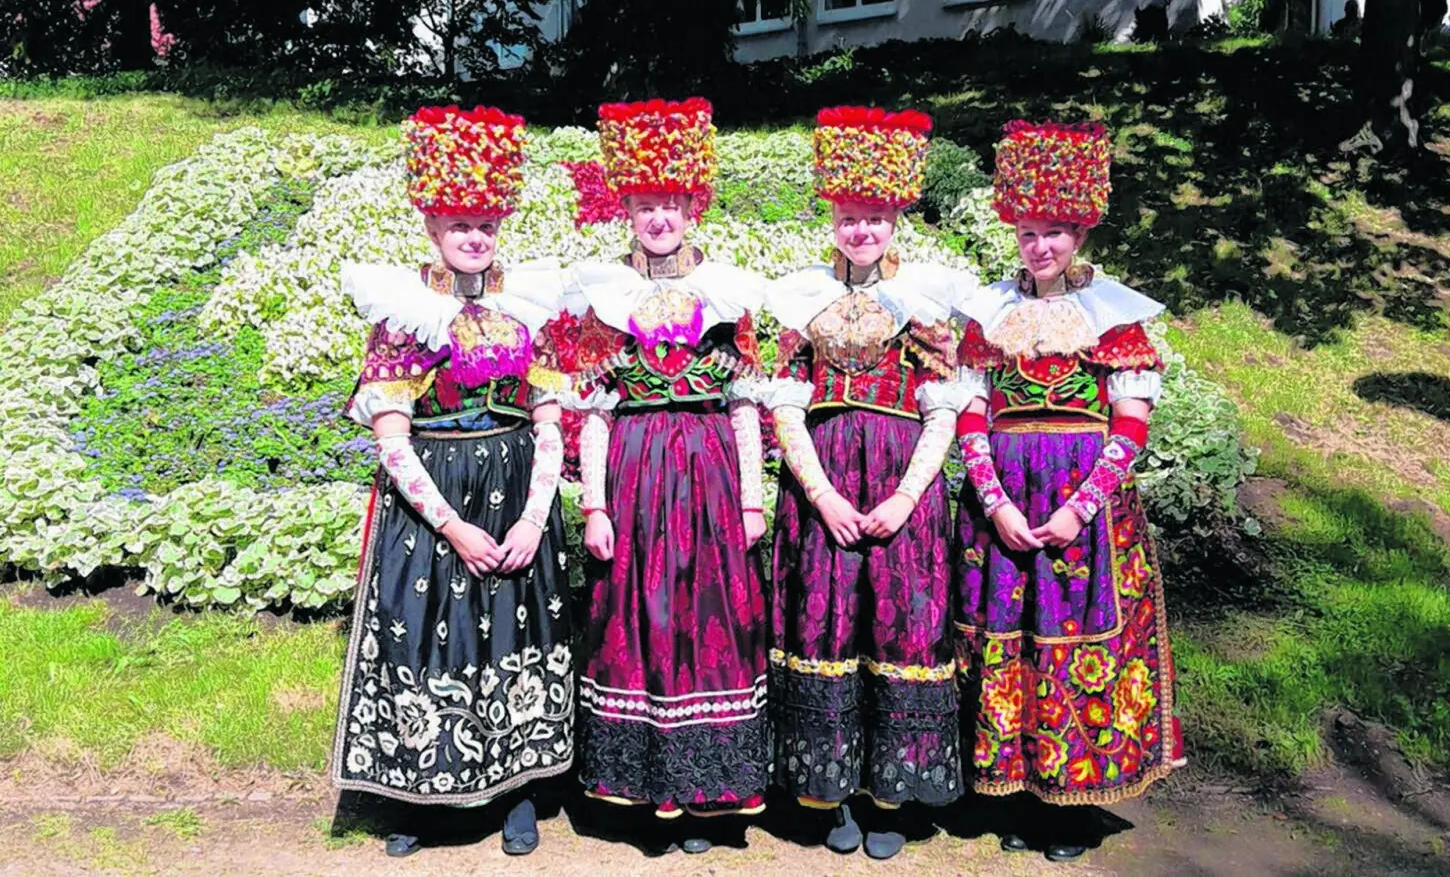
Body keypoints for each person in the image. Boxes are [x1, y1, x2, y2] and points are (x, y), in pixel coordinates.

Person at [330, 105, 575, 858]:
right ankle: (420, 796)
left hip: (513, 491)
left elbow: (550, 422)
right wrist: (452, 526)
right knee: (430, 638)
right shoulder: (404, 316)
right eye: (458, 224)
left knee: (516, 633)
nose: (474, 237)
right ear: (432, 229)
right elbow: (392, 440)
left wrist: (533, 521)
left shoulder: (528, 309)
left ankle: (519, 792)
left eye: (486, 225)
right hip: (434, 506)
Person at [952, 120, 1186, 862]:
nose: (1041, 246)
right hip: (1006, 504)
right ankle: (1016, 790)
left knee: (1078, 643)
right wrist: (996, 502)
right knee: (1008, 641)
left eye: (1055, 231)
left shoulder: (1112, 316)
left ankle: (1075, 805)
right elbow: (969, 414)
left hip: (1085, 508)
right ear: (1013, 232)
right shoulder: (988, 313)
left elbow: (1130, 424)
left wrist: (1078, 507)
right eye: (1028, 232)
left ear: (1079, 232)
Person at [762, 107, 976, 860]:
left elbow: (943, 411)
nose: (861, 231)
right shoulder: (799, 299)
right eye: (850, 218)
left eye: (875, 218)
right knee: (824, 625)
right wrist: (819, 493)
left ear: (895, 219)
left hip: (897, 487)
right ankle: (832, 791)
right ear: (834, 217)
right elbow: (784, 406)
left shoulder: (922, 301)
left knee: (899, 625)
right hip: (822, 489)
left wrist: (905, 497)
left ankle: (893, 789)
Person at [563, 98, 770, 855]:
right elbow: (593, 411)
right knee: (639, 619)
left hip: (712, 478)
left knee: (707, 620)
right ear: (626, 208)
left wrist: (751, 498)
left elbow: (746, 402)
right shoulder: (605, 299)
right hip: (637, 482)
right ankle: (644, 784)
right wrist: (594, 506)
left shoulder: (726, 294)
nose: (658, 217)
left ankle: (708, 789)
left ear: (693, 205)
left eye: (670, 204)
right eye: (644, 204)